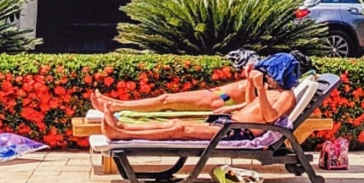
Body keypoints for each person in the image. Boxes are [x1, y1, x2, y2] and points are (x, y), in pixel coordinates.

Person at [97, 56, 302, 142]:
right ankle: (122, 126)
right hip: (231, 122)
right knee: (175, 123)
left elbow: (268, 118)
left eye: (269, 73)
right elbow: (251, 106)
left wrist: (260, 88)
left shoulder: (286, 96)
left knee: (179, 130)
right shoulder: (272, 91)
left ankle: (120, 134)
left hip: (238, 131)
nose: (266, 76)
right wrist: (251, 84)